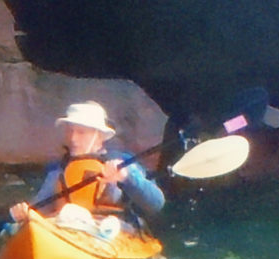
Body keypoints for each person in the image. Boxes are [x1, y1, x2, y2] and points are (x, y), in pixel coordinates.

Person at [11, 101, 165, 237]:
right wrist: (25, 215)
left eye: (81, 132)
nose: (73, 138)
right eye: (70, 131)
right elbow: (39, 209)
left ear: (99, 136)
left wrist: (126, 178)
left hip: (112, 232)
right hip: (67, 230)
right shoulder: (58, 170)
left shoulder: (122, 163)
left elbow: (156, 203)